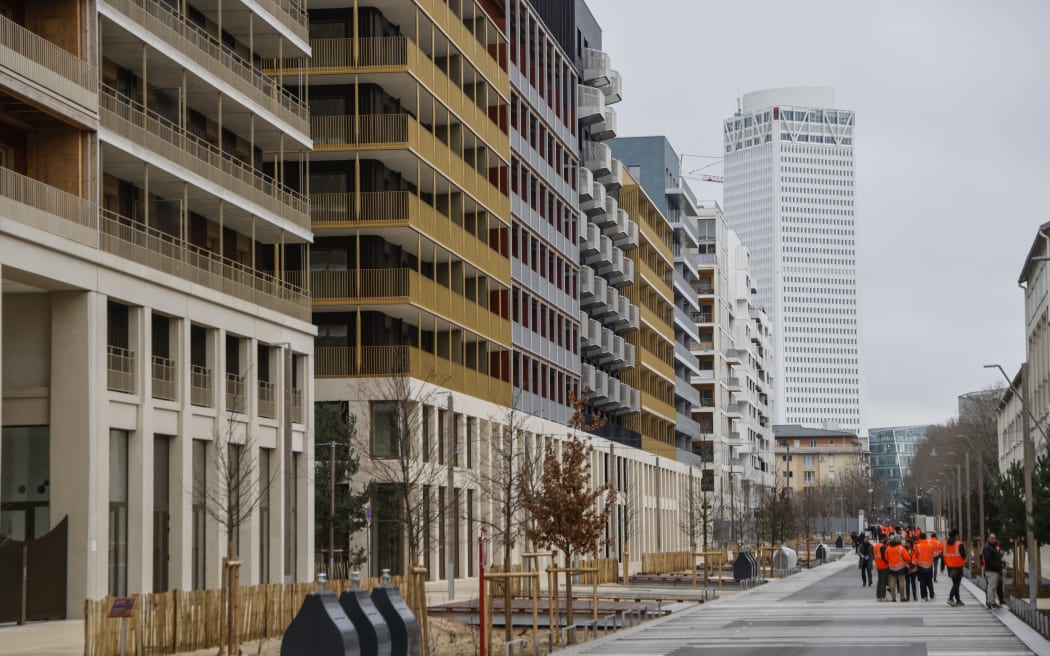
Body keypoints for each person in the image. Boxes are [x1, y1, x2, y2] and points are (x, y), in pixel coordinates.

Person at [943, 529, 967, 607]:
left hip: (949, 566)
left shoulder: (945, 544)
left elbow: (943, 554)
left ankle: (958, 600)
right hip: (958, 566)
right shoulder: (959, 544)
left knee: (955, 583)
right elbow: (963, 555)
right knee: (957, 583)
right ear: (956, 535)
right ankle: (950, 598)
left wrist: (943, 565)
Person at [884, 534, 910, 602]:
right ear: (898, 540)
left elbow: (886, 557)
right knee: (901, 584)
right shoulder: (901, 548)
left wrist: (890, 562)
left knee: (892, 585)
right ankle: (902, 597)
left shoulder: (888, 548)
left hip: (892, 569)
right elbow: (907, 558)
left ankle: (893, 598)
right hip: (901, 568)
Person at [982, 533, 1003, 609]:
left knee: (993, 587)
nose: (993, 540)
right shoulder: (987, 548)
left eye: (994, 538)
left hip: (996, 571)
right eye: (991, 538)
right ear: (988, 539)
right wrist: (996, 566)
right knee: (991, 587)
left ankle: (992, 601)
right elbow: (988, 560)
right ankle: (990, 602)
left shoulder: (994, 547)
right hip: (991, 571)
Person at [914, 532, 935, 601]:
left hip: (921, 566)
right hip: (929, 565)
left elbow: (915, 555)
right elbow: (932, 554)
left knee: (922, 582)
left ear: (919, 538)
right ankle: (932, 595)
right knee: (929, 581)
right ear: (926, 537)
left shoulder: (918, 546)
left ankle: (924, 596)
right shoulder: (931, 545)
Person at [874, 534, 890, 601]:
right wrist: (888, 563)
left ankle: (878, 596)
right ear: (882, 539)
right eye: (885, 538)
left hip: (878, 565)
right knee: (883, 581)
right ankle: (883, 597)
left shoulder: (875, 546)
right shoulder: (882, 546)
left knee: (880, 581)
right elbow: (884, 557)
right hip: (884, 566)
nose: (886, 539)